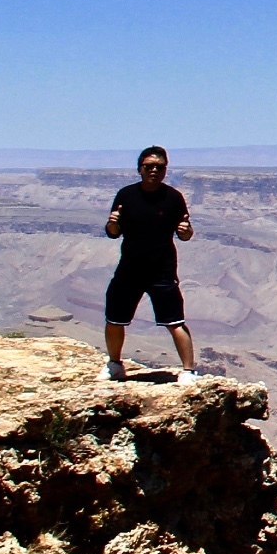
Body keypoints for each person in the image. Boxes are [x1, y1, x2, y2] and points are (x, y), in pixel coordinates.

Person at [101, 146, 198, 382]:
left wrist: (186, 231)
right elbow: (113, 232)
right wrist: (112, 223)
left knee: (175, 321)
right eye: (149, 166)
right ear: (140, 169)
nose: (154, 170)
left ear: (165, 170)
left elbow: (185, 234)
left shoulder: (173, 198)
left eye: (160, 167)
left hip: (162, 269)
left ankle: (188, 371)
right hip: (129, 268)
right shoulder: (126, 195)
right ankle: (114, 365)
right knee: (114, 320)